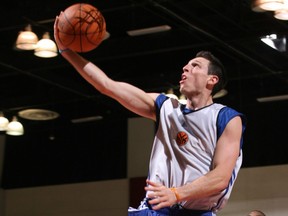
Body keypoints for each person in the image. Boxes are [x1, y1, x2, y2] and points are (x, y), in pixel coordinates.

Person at [54, 15, 246, 216]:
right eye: (187, 65)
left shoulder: (227, 118)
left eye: (195, 65)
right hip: (158, 210)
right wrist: (66, 51)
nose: (186, 67)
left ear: (212, 79)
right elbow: (106, 85)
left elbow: (220, 178)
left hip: (196, 211)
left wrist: (177, 194)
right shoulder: (165, 107)